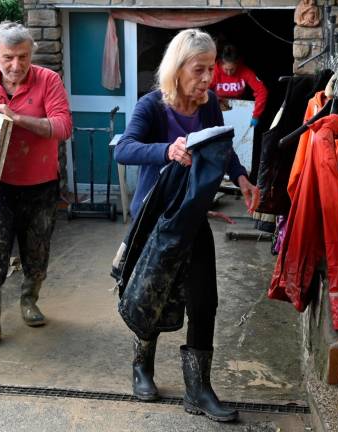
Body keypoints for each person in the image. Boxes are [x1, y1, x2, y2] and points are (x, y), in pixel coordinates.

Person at [114, 28, 256, 422]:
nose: (208, 78)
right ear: (178, 69)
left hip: (192, 217)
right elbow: (125, 150)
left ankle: (199, 389)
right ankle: (142, 366)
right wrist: (167, 150)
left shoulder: (208, 105)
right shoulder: (152, 106)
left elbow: (220, 147)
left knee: (204, 301)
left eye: (211, 69)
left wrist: (241, 176)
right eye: (200, 69)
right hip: (157, 221)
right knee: (151, 298)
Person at [0, 21, 72, 341]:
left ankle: (29, 300)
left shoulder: (48, 81)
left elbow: (63, 127)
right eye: (8, 57)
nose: (16, 65)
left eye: (22, 56)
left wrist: (16, 117)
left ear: (31, 54)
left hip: (41, 185)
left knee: (37, 249)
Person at [210, 44, 268, 127]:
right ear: (220, 64)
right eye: (226, 69)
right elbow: (203, 91)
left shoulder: (244, 71)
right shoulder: (214, 72)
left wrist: (256, 115)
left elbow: (261, 91)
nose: (229, 73)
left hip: (239, 110)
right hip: (217, 110)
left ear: (237, 63)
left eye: (232, 69)